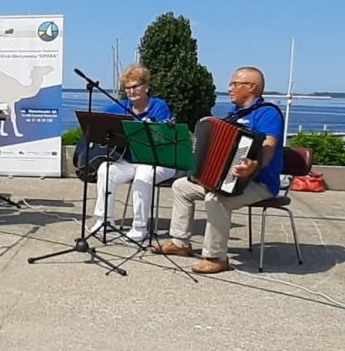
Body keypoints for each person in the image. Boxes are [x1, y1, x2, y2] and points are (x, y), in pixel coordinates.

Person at [150, 66, 285, 274]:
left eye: (234, 83)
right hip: (229, 179)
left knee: (216, 198)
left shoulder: (267, 113)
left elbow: (268, 145)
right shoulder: (234, 114)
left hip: (260, 183)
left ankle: (216, 257)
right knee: (180, 187)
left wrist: (254, 166)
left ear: (251, 87)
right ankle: (180, 242)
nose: (230, 88)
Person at [87, 64, 176, 242]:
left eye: (135, 86)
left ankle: (140, 227)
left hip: (158, 162)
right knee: (106, 169)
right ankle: (104, 220)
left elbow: (165, 136)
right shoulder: (120, 106)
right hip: (128, 161)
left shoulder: (159, 106)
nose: (131, 91)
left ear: (146, 86)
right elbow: (100, 121)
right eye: (127, 88)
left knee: (143, 174)